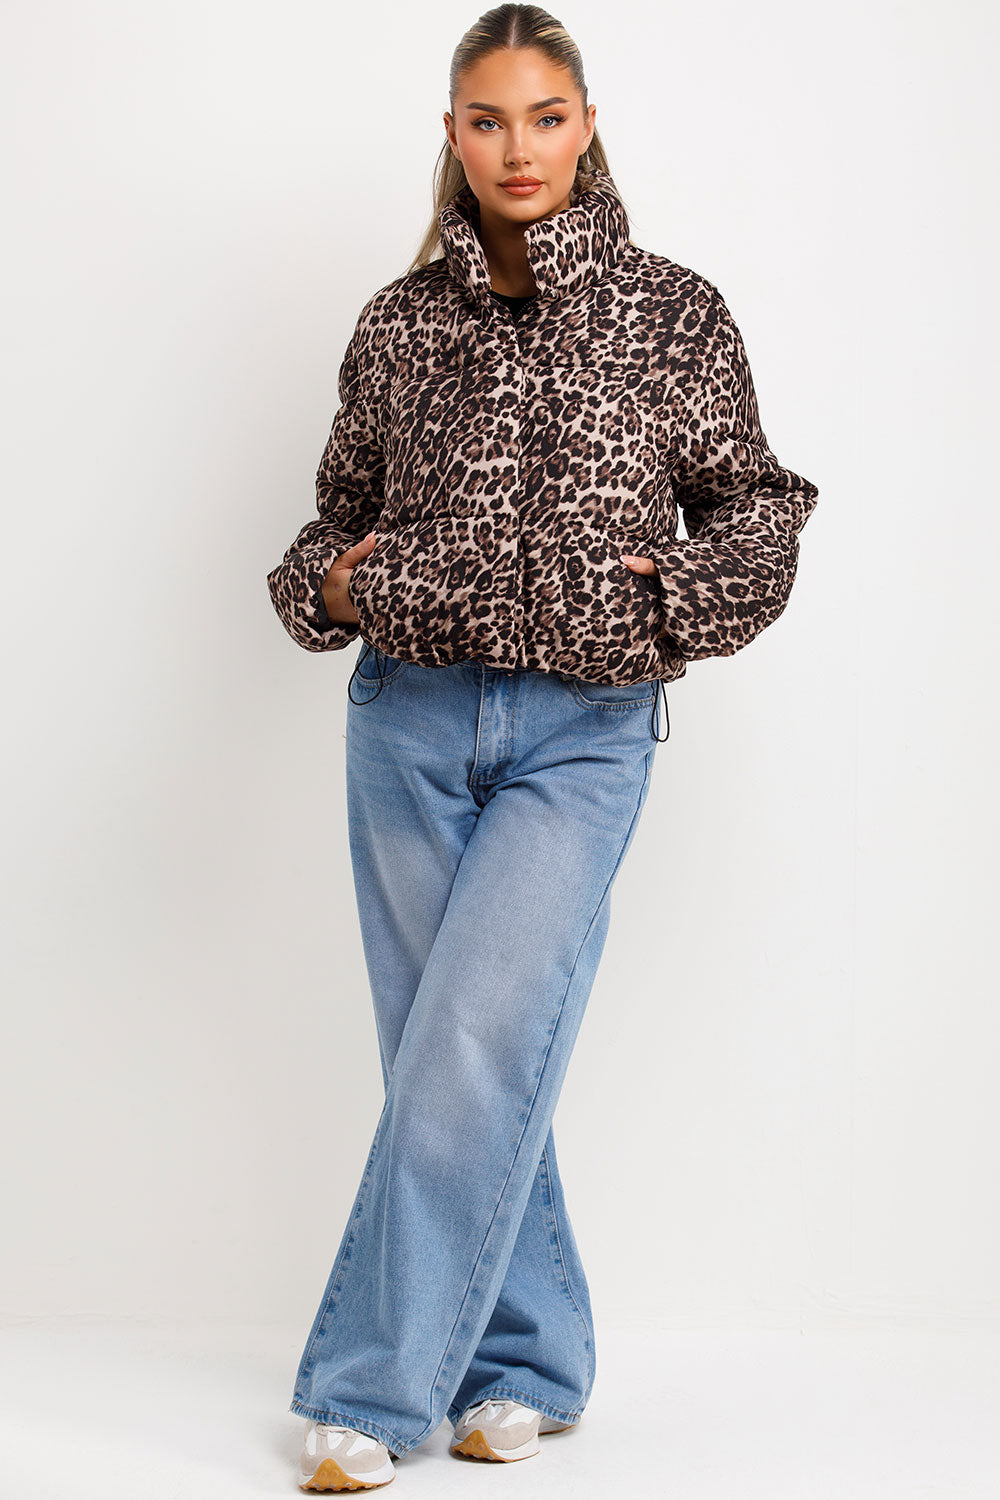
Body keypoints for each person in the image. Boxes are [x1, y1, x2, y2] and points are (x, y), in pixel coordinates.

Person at [266, 5, 819, 1491]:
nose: (520, 147)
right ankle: (529, 1362)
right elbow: (334, 519)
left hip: (584, 730)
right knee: (455, 1056)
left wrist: (676, 596)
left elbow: (762, 506)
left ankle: (371, 1394)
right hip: (408, 716)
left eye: (547, 116)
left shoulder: (672, 313)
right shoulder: (399, 324)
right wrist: (332, 589)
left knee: (471, 1046)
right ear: (452, 136)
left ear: (587, 125)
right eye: (489, 119)